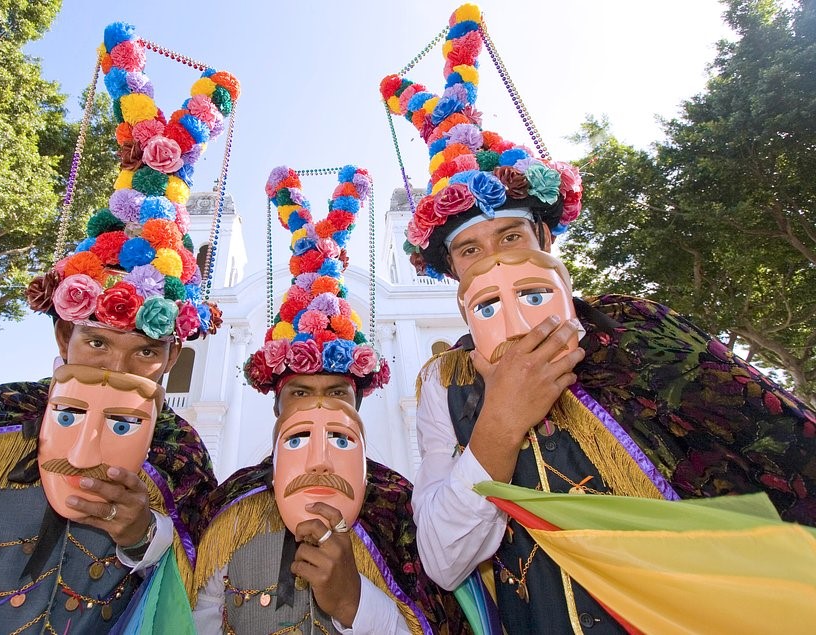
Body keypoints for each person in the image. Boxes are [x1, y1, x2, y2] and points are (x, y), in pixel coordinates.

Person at [381, 3, 816, 633]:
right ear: (453, 278)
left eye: (511, 239)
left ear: (548, 247)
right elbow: (442, 562)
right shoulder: (443, 385)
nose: (495, 262)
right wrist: (498, 425)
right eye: (470, 251)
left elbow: (778, 442)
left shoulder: (638, 329)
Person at [0, 21, 239, 634]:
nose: (115, 369)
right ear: (63, 340)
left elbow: (198, 598)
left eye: (144, 352)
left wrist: (146, 536)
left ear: (169, 359)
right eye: (95, 342)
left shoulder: (180, 458)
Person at [190, 166, 468, 634]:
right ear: (278, 408)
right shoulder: (231, 504)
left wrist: (355, 605)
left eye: (337, 392)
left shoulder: (399, 507)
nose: (319, 405)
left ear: (357, 405)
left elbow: (438, 620)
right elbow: (195, 615)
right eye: (300, 392)